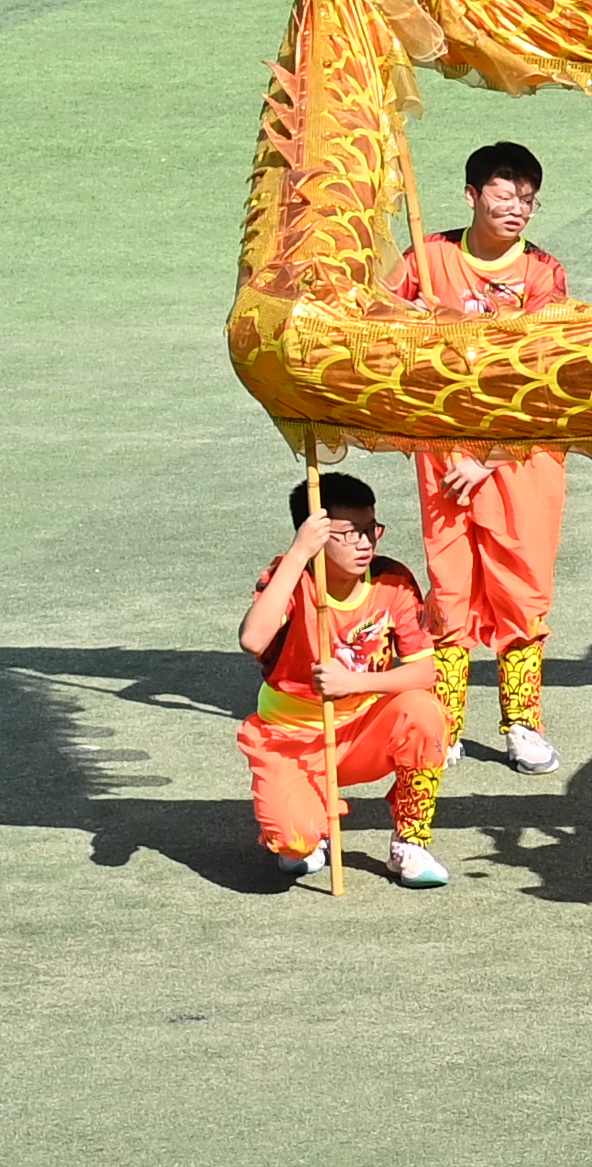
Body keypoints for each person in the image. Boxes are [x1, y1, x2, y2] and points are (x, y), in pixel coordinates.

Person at [384, 139, 571, 773]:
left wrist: (487, 456)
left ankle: (522, 724)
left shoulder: (544, 273)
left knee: (522, 587)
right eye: (505, 193)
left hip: (521, 453)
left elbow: (545, 374)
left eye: (528, 198)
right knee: (451, 586)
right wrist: (403, 315)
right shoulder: (427, 256)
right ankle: (448, 722)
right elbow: (370, 320)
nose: (518, 207)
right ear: (472, 195)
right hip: (442, 449)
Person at [241, 472, 454, 889]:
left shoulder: (392, 580)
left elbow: (424, 671)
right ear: (315, 533)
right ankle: (307, 828)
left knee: (424, 712)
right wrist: (299, 553)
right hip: (291, 737)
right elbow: (252, 639)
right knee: (294, 842)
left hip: (360, 731)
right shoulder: (291, 576)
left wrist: (352, 684)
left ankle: (410, 840)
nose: (365, 543)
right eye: (348, 533)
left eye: (370, 529)